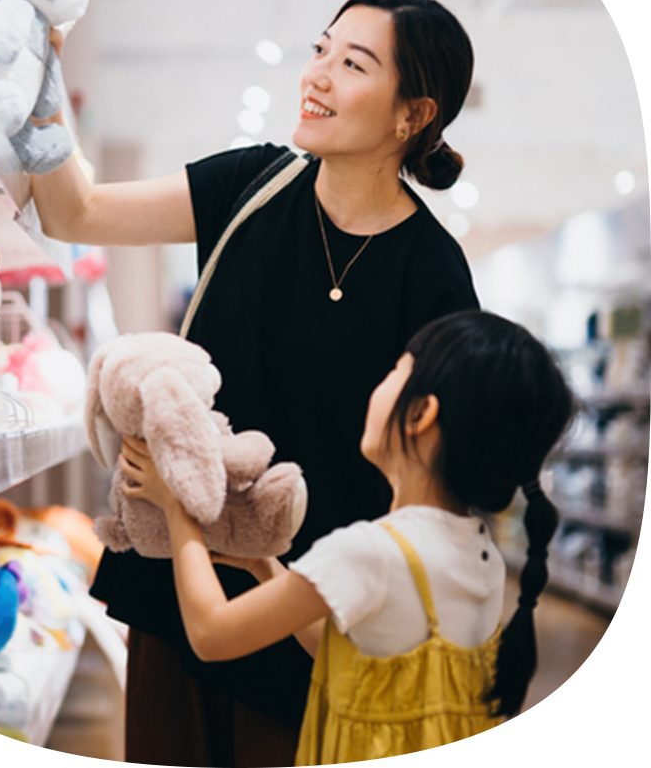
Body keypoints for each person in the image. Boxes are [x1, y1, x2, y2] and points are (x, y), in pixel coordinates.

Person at [30, 0, 481, 766]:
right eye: (320, 49)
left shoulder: (435, 274)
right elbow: (78, 213)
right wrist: (33, 81)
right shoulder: (253, 186)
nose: (319, 74)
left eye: (353, 62)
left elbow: (438, 486)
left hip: (317, 613)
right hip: (178, 571)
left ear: (412, 114)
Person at [117, 310, 576, 763]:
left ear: (421, 413)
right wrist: (264, 567)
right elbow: (357, 656)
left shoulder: (369, 552)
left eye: (398, 370)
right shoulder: (481, 554)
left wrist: (178, 503)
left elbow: (211, 634)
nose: (381, 381)